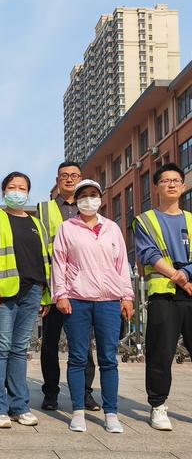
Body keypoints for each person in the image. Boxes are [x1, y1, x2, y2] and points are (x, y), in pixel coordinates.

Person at [52, 179, 134, 433]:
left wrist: (127, 296)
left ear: (101, 198)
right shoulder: (67, 228)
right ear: (76, 200)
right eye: (83, 195)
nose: (89, 199)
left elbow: (122, 265)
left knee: (109, 358)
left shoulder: (112, 228)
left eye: (93, 194)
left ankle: (111, 413)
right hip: (77, 299)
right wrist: (61, 295)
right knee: (77, 357)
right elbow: (59, 263)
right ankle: (78, 411)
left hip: (109, 301)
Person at [0, 171, 50, 428]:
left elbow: (44, 260)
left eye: (22, 187)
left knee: (20, 350)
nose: (18, 191)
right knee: (1, 348)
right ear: (3, 191)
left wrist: (44, 293)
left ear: (28, 192)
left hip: (32, 291)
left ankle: (20, 406)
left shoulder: (36, 223)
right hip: (4, 293)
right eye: (12, 186)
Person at [133, 163, 192, 431]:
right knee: (160, 353)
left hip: (190, 292)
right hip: (163, 296)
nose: (171, 184)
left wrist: (187, 274)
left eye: (176, 180)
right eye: (165, 180)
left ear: (183, 186)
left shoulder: (191, 220)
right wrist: (178, 276)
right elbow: (149, 253)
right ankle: (158, 406)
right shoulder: (144, 220)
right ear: (156, 187)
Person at [38, 161, 99, 411]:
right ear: (57, 179)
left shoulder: (91, 209)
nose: (69, 179)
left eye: (74, 175)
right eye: (64, 176)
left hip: (83, 289)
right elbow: (39, 251)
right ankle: (51, 392)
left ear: (81, 178)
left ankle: (85, 393)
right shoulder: (44, 210)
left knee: (83, 345)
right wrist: (44, 294)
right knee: (50, 344)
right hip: (53, 290)